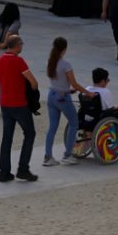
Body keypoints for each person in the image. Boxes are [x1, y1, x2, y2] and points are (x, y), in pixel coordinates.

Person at [0, 33, 40, 183]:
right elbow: (34, 83)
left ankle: (4, 172)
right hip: (19, 104)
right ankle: (23, 169)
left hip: (5, 103)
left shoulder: (1, 59)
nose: (22, 46)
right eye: (21, 44)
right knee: (29, 134)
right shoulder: (19, 61)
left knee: (7, 138)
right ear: (17, 45)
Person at [43, 36, 88, 167]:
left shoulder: (50, 62)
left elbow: (58, 82)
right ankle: (68, 154)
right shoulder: (65, 64)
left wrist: (68, 90)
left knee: (52, 127)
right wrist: (87, 92)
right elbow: (74, 83)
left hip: (52, 94)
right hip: (62, 97)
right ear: (64, 49)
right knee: (74, 123)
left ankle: (48, 156)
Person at [0, 3, 22, 115]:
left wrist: (0, 42)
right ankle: (8, 106)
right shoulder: (16, 22)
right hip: (9, 53)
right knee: (10, 81)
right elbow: (11, 32)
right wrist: (6, 43)